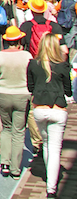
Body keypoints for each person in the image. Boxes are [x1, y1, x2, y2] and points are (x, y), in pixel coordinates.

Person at [27, 33, 72, 198]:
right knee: (54, 148)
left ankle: (49, 177)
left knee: (46, 144)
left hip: (39, 108)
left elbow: (30, 87)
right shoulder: (62, 66)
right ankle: (51, 188)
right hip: (58, 109)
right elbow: (68, 90)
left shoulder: (33, 64)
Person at [0, 26, 31, 179]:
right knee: (18, 131)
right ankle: (15, 168)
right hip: (22, 95)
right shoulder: (26, 56)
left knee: (6, 129)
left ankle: (4, 163)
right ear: (19, 41)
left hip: (4, 94)